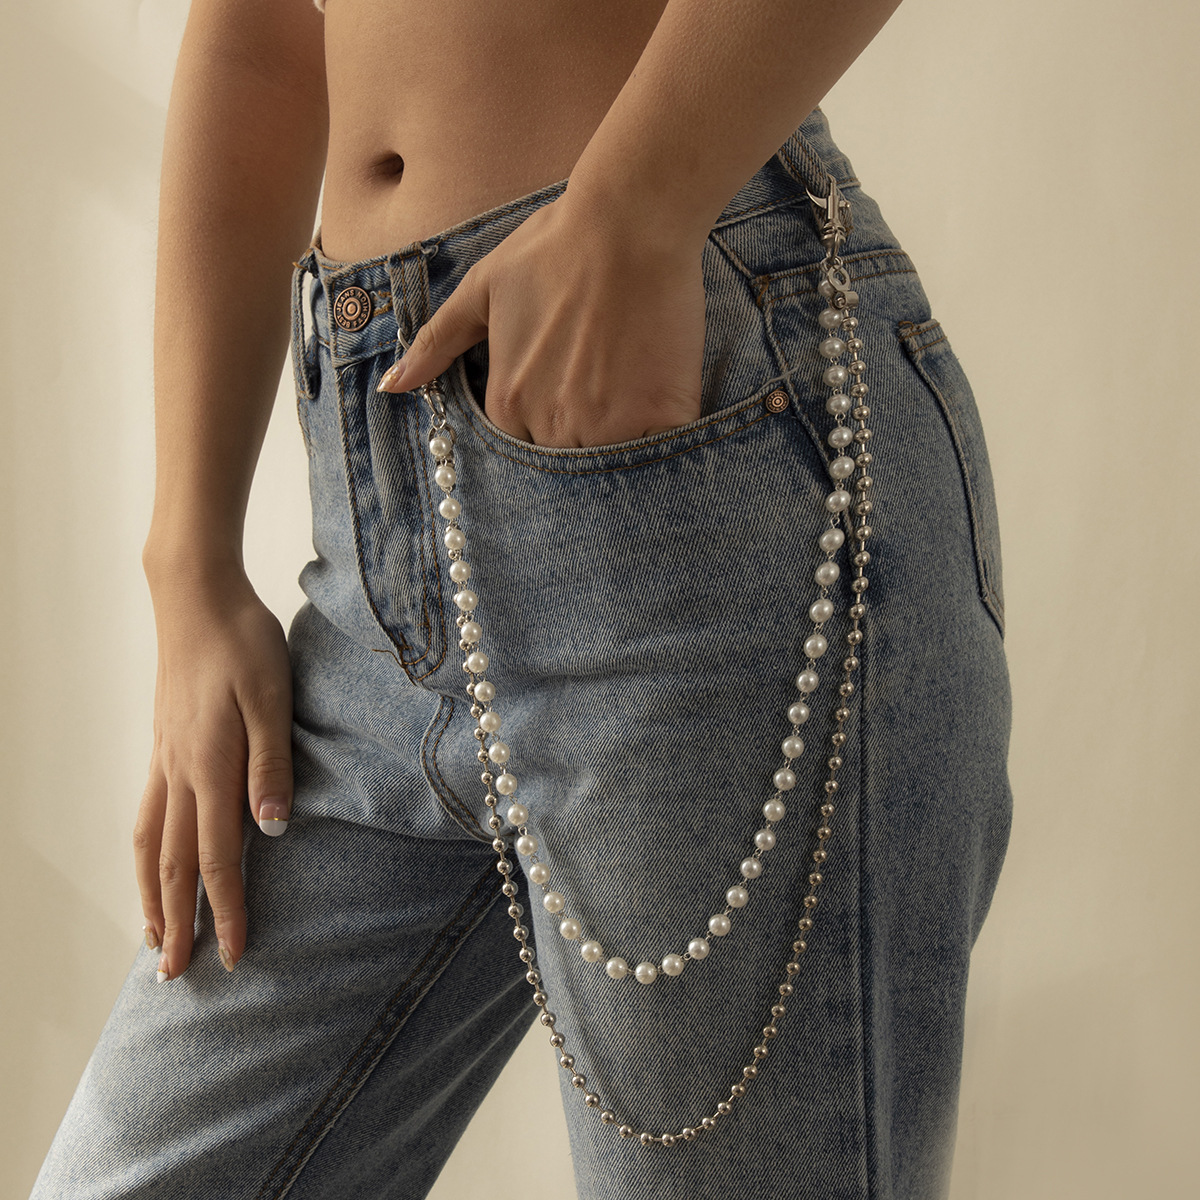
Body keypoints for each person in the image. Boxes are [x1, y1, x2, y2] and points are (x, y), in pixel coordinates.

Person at [30, 0, 1013, 1196]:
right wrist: (188, 565)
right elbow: (259, 31)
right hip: (377, 526)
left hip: (690, 447)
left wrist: (632, 210)